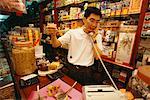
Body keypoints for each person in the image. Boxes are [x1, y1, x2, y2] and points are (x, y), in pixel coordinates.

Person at [47, 7, 103, 85]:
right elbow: (55, 44)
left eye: (97, 22)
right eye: (91, 20)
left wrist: (94, 39)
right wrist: (53, 35)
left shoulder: (97, 36)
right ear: (84, 19)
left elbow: (97, 57)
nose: (94, 24)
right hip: (72, 69)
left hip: (88, 71)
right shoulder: (73, 33)